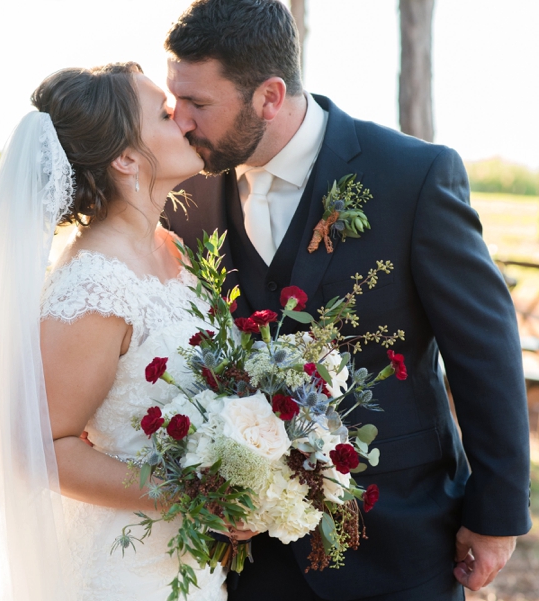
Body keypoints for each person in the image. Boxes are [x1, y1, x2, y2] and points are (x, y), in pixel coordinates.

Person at [161, 1, 533, 600]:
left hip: (397, 540)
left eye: (199, 104)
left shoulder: (413, 177)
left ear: (269, 96)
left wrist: (496, 513)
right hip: (241, 557)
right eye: (176, 100)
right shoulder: (187, 189)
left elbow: (484, 352)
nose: (179, 121)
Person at [0, 62, 236, 601]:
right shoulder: (95, 286)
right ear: (124, 158)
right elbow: (43, 447)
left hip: (190, 564)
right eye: (166, 113)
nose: (186, 120)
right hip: (124, 571)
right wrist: (185, 493)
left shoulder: (173, 248)